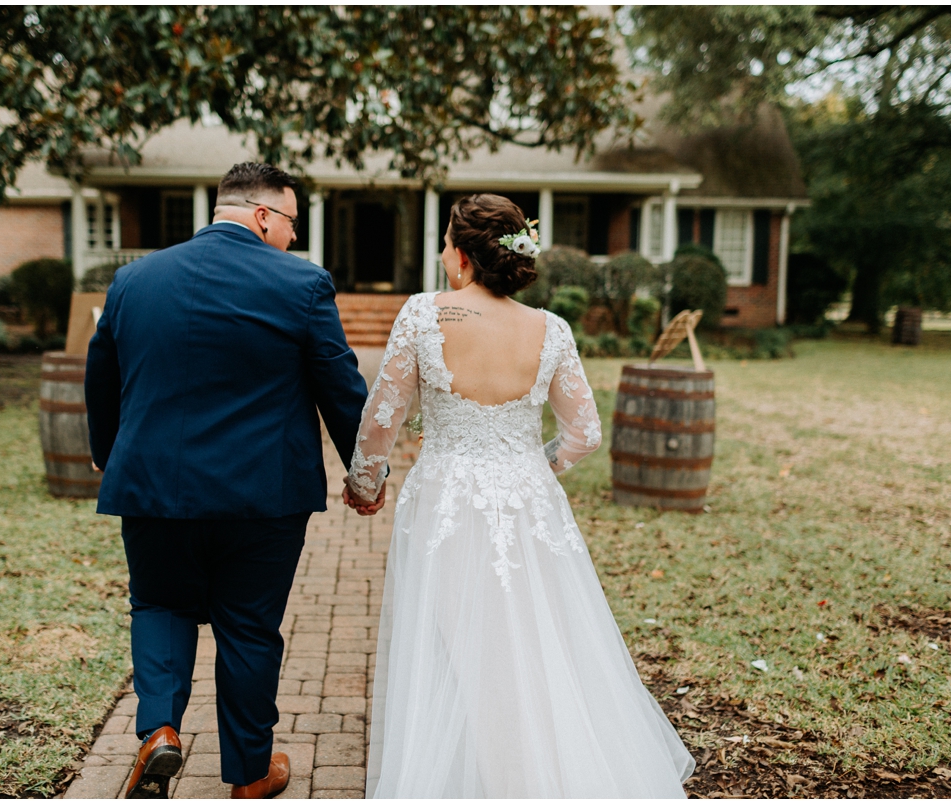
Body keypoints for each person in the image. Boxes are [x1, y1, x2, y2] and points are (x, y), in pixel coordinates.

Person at [344, 194, 695, 797]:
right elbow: (585, 432)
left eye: (445, 243)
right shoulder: (550, 329)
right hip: (529, 505)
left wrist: (364, 485)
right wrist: (532, 466)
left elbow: (382, 421)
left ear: (459, 256)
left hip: (446, 504)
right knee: (533, 648)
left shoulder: (424, 315)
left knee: (459, 651)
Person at [84, 162, 383, 799]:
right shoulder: (302, 285)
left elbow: (102, 376)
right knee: (248, 625)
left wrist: (108, 454)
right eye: (292, 223)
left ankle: (159, 732)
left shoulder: (134, 280)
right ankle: (248, 773)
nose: (294, 239)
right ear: (264, 216)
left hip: (154, 487)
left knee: (160, 604)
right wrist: (365, 474)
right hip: (262, 496)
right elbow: (340, 387)